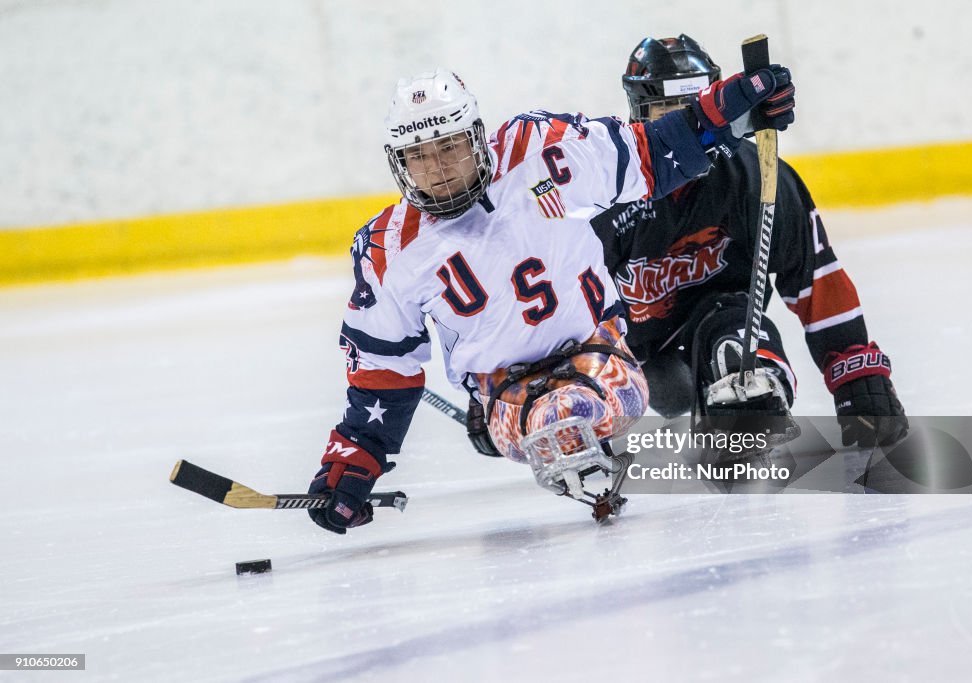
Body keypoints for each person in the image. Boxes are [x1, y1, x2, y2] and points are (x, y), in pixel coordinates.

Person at [309, 63, 796, 534]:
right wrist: (355, 457)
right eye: (419, 155)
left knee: (571, 411)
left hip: (598, 350)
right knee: (555, 419)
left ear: (476, 136)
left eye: (449, 146)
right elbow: (383, 370)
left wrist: (728, 114)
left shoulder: (539, 149)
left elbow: (647, 154)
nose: (436, 169)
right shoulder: (388, 250)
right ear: (400, 162)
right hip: (504, 389)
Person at [471, 34, 906, 456]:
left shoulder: (755, 177)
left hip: (723, 321)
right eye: (667, 110)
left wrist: (854, 370)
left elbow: (813, 273)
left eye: (693, 106)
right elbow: (543, 301)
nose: (684, 121)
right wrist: (498, 382)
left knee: (733, 340)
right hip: (625, 351)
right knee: (609, 400)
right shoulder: (602, 197)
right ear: (639, 114)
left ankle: (742, 408)